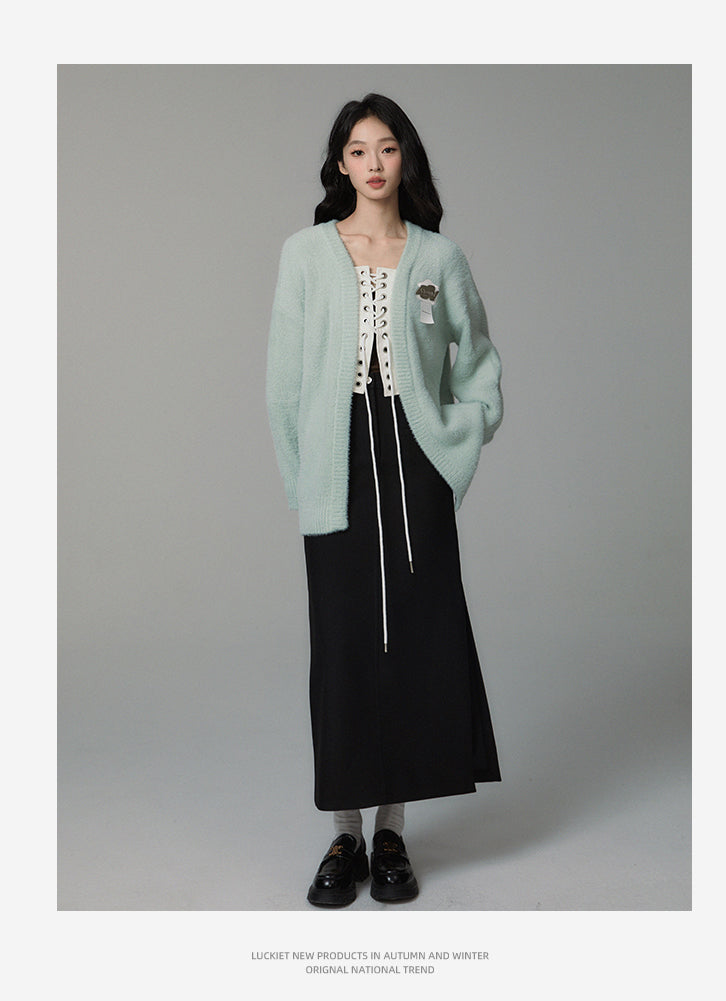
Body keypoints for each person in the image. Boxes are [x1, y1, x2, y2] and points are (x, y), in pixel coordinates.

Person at [266, 93, 504, 907]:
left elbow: (478, 365)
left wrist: (460, 433)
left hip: (415, 460)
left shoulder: (439, 257)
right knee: (343, 647)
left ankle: (393, 831)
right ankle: (345, 834)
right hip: (335, 465)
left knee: (415, 641)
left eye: (388, 147)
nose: (374, 163)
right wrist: (305, 483)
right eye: (359, 149)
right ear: (340, 163)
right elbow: (283, 383)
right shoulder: (306, 254)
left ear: (406, 159)